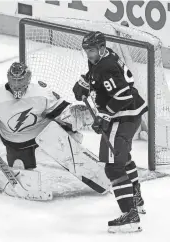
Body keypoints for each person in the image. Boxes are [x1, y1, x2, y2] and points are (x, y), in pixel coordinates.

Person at [0, 62, 88, 198]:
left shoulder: (41, 92)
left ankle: (82, 159)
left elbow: (61, 110)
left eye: (21, 80)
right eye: (14, 80)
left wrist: (74, 120)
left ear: (28, 78)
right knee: (21, 170)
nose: (17, 84)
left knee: (64, 140)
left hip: (44, 132)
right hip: (16, 141)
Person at [72, 31, 147, 233]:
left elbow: (123, 96)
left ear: (102, 49)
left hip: (123, 116)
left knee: (113, 167)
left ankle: (131, 215)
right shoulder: (103, 57)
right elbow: (97, 77)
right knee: (123, 157)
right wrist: (85, 83)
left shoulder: (107, 66)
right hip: (131, 115)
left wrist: (105, 115)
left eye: (92, 50)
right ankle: (135, 197)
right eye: (86, 50)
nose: (89, 54)